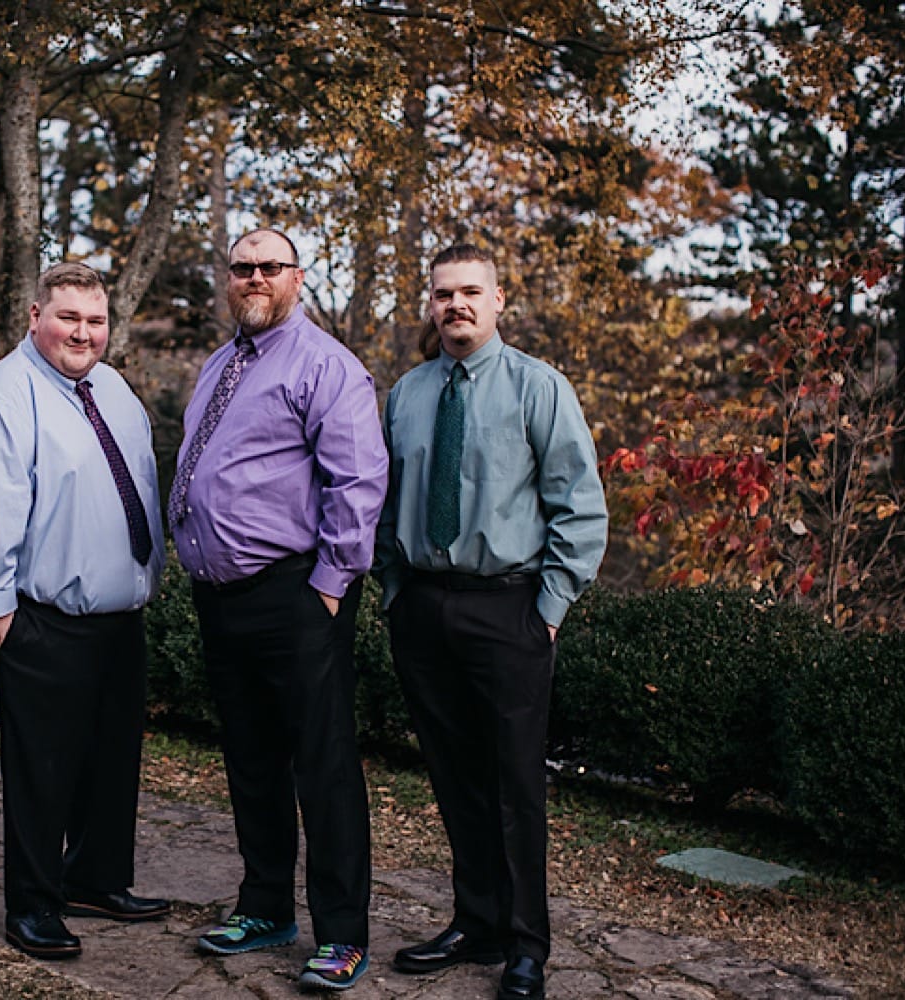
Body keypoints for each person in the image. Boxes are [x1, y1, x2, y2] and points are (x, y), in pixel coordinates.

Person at [374, 245, 607, 1000]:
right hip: (424, 609)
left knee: (514, 786)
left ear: (499, 300)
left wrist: (548, 609)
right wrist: (394, 592)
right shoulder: (407, 394)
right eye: (443, 294)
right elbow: (382, 502)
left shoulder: (539, 389)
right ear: (430, 305)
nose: (456, 305)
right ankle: (475, 922)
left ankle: (527, 946)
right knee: (453, 778)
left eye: (470, 292)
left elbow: (581, 508)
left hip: (509, 608)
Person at [171, 228, 388, 992]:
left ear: (296, 277)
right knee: (251, 760)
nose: (255, 277)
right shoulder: (221, 363)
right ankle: (265, 906)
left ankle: (342, 933)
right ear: (227, 279)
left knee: (321, 765)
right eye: (242, 267)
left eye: (270, 266)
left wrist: (329, 586)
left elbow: (358, 481)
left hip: (297, 594)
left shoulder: (325, 365)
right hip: (222, 599)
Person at [0, 262, 169, 961]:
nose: (83, 332)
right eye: (68, 317)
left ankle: (97, 879)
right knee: (43, 771)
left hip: (117, 618)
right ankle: (34, 905)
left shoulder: (112, 390)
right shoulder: (1, 397)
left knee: (111, 762)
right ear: (35, 316)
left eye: (95, 321)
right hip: (41, 618)